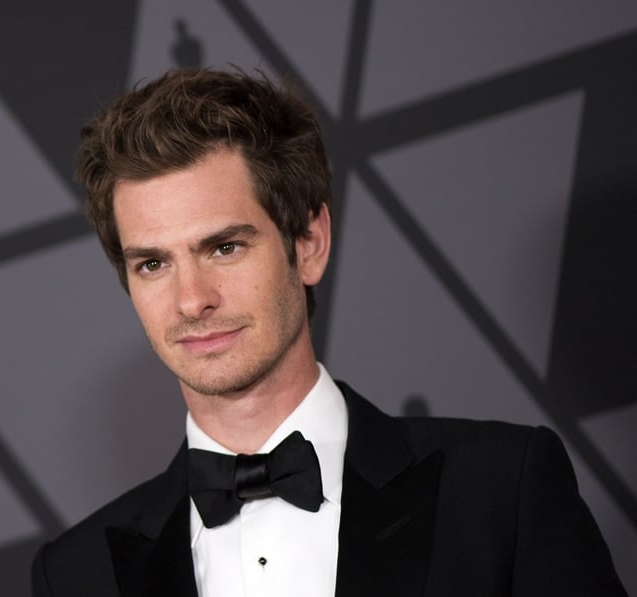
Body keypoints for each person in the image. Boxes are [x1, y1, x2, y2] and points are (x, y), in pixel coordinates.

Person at [31, 68, 625, 597]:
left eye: (226, 246)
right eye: (153, 264)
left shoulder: (499, 492)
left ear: (309, 245)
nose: (192, 300)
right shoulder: (78, 575)